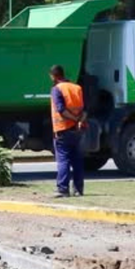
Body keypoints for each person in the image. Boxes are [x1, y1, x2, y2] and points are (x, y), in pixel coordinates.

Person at [49, 65, 86, 198]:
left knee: (63, 160)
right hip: (77, 130)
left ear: (53, 76)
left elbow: (61, 109)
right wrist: (79, 120)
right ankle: (78, 189)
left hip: (63, 129)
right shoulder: (77, 88)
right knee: (77, 160)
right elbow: (84, 109)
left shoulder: (56, 89)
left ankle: (63, 189)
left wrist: (73, 119)